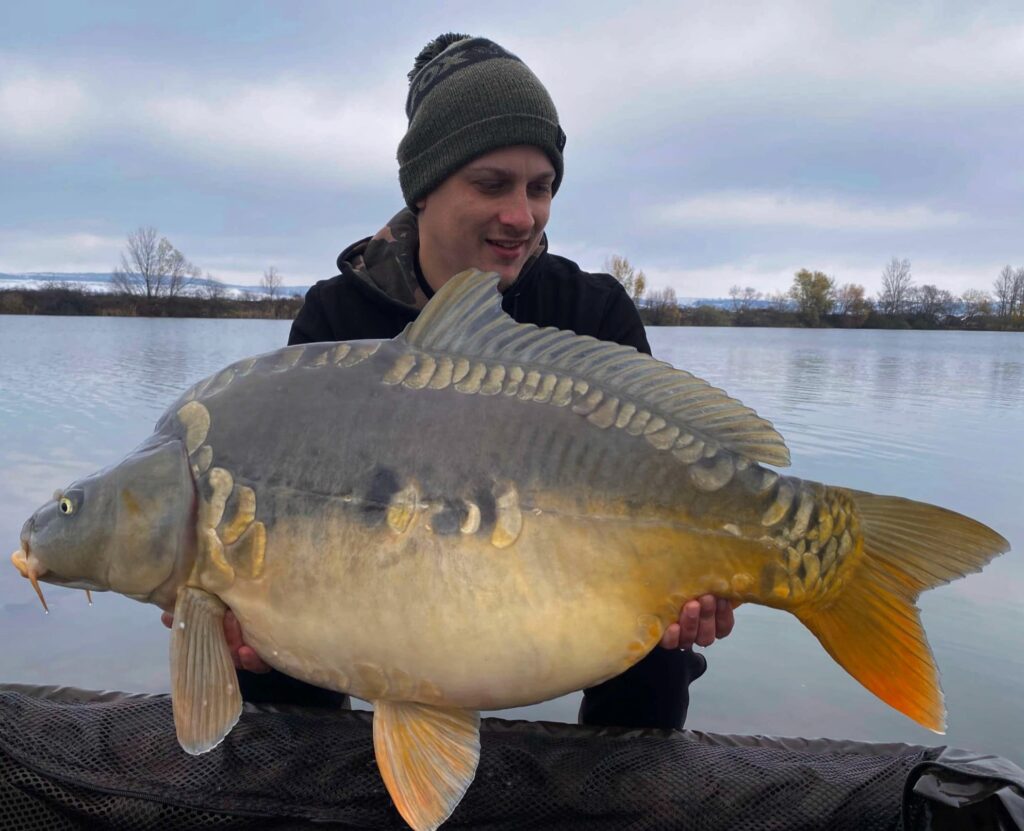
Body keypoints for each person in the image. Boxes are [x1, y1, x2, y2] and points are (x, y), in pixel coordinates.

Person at [165, 33, 736, 729]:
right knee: (271, 631)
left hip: (564, 600)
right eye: (492, 184)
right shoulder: (338, 317)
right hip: (378, 595)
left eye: (541, 187)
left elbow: (677, 476)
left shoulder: (592, 313)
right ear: (424, 188)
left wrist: (707, 576)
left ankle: (620, 791)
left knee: (662, 639)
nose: (521, 216)